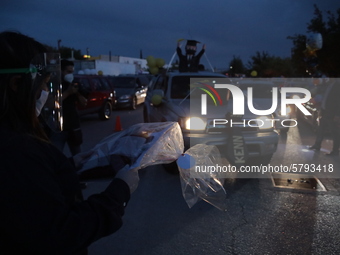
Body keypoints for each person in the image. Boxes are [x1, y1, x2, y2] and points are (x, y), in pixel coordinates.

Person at [0, 31, 139, 254]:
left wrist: (67, 166)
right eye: (45, 85)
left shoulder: (18, 147)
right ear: (17, 84)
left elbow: (29, 197)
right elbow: (59, 233)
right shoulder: (18, 150)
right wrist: (119, 192)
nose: (47, 92)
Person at [49, 59, 87, 156]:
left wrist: (77, 93)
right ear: (61, 71)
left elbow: (84, 103)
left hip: (73, 125)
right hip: (58, 127)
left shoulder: (73, 84)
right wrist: (68, 92)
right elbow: (52, 103)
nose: (70, 74)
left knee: (78, 155)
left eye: (72, 72)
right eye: (68, 72)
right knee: (56, 155)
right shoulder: (54, 84)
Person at [308, 77, 340, 156]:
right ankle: (317, 145)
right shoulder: (330, 85)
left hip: (332, 113)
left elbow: (338, 101)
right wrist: (322, 109)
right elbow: (326, 98)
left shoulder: (337, 85)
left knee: (334, 132)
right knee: (321, 129)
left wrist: (337, 115)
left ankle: (335, 150)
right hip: (325, 111)